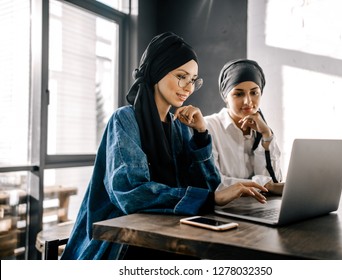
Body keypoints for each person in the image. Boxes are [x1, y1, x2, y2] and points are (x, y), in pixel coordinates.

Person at [61, 33, 268, 260]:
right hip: (121, 242)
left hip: (168, 234)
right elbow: (131, 194)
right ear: (158, 71)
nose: (188, 88)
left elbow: (208, 186)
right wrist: (210, 198)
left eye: (193, 80)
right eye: (182, 77)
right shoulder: (124, 120)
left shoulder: (179, 126)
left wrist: (200, 134)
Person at [205, 59, 284, 195]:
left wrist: (266, 135)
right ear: (226, 96)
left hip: (258, 207)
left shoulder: (261, 129)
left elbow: (275, 181)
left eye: (254, 93)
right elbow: (214, 183)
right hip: (222, 210)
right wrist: (265, 185)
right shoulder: (209, 127)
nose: (248, 101)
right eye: (239, 94)